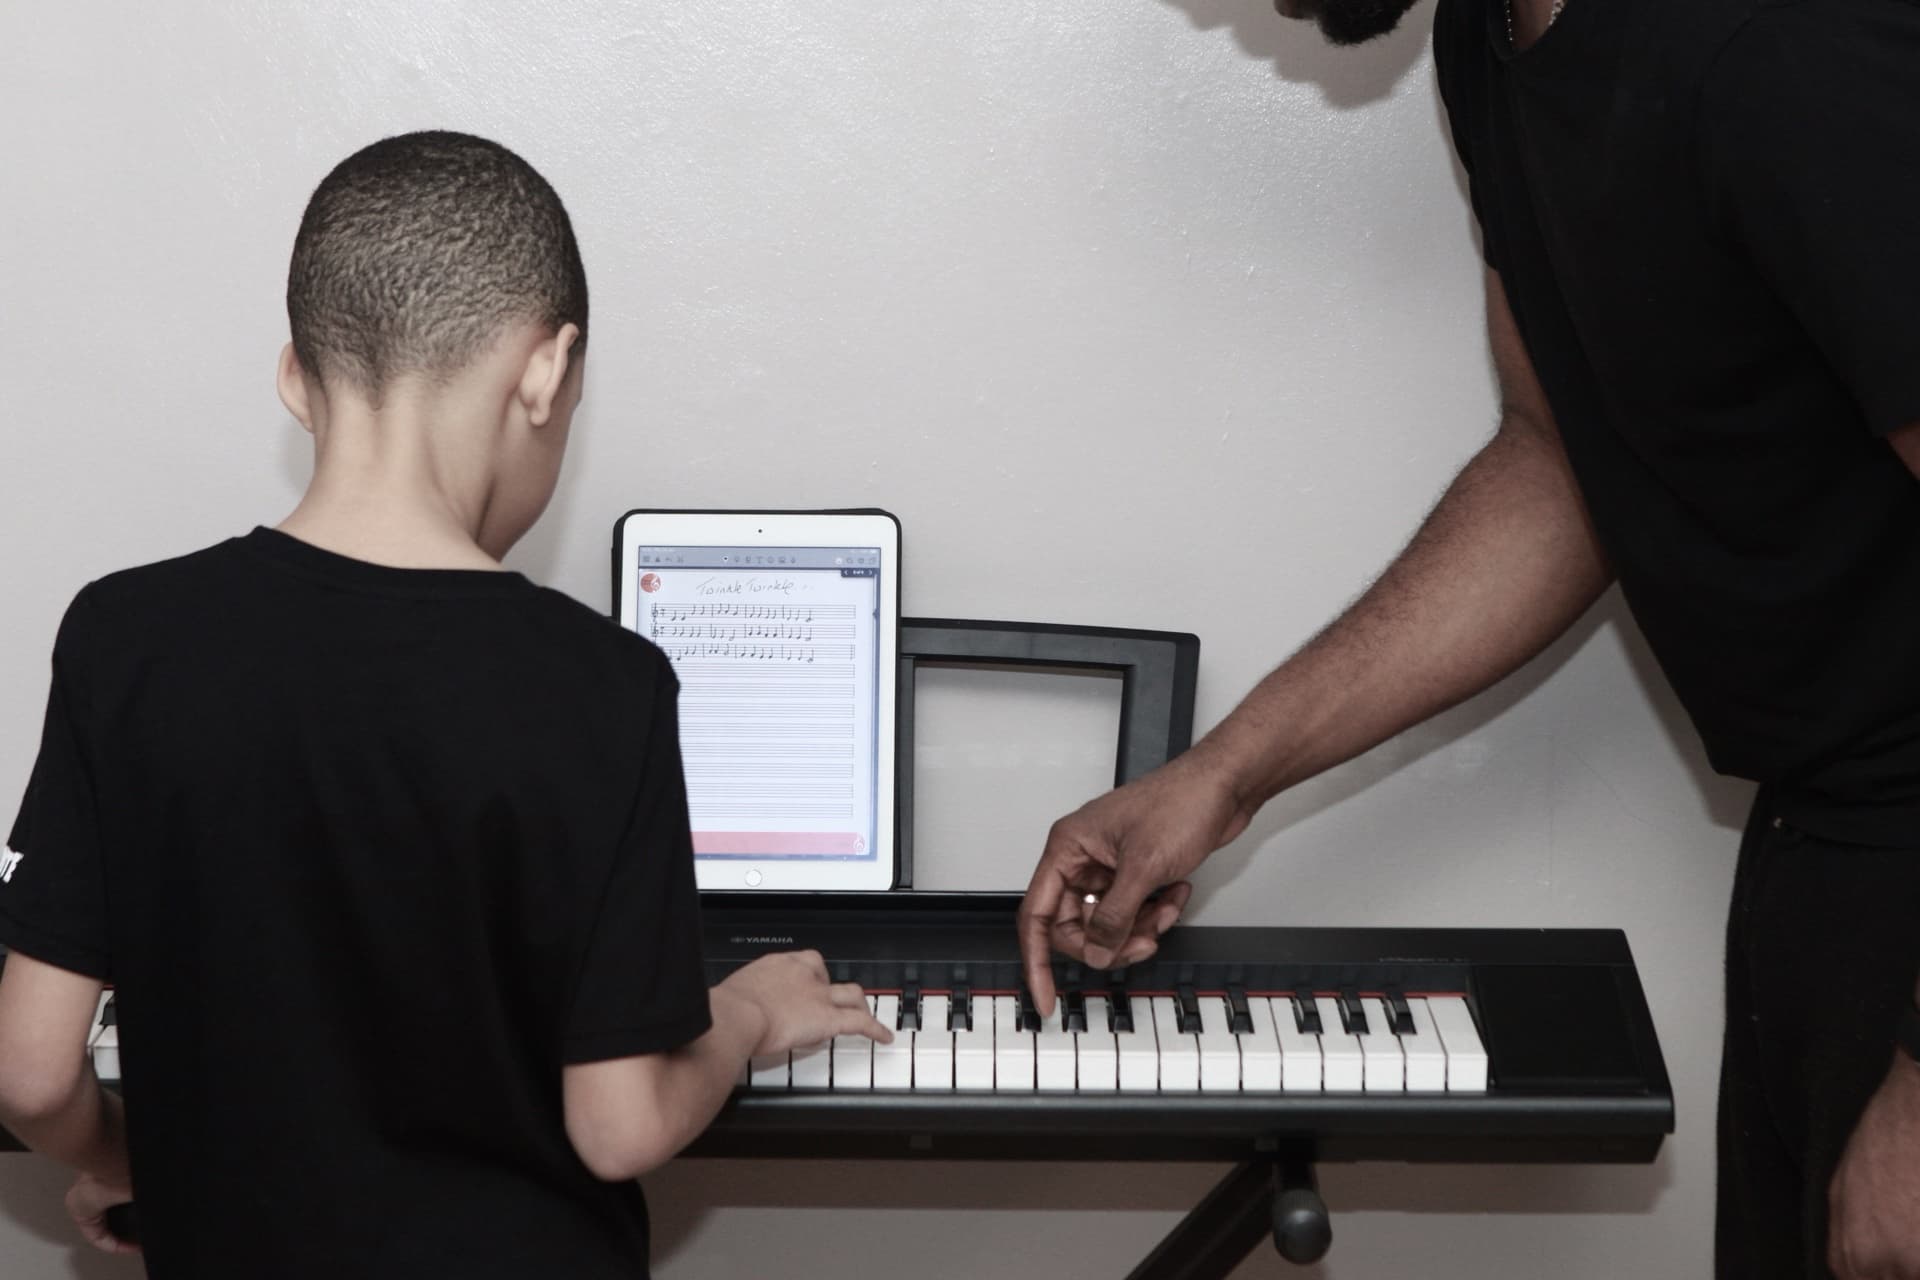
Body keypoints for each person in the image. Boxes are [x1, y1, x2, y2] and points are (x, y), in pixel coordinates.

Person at [1017, 2, 1920, 1277]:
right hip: (1824, 853)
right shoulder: (1492, 48)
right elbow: (1562, 464)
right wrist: (1221, 776)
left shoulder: (1782, 46)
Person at [0, 130, 889, 1278]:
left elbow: (29, 1068)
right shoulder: (600, 685)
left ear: (295, 378)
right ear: (546, 371)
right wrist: (756, 1015)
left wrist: (136, 1160)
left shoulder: (125, 635)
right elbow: (618, 1124)